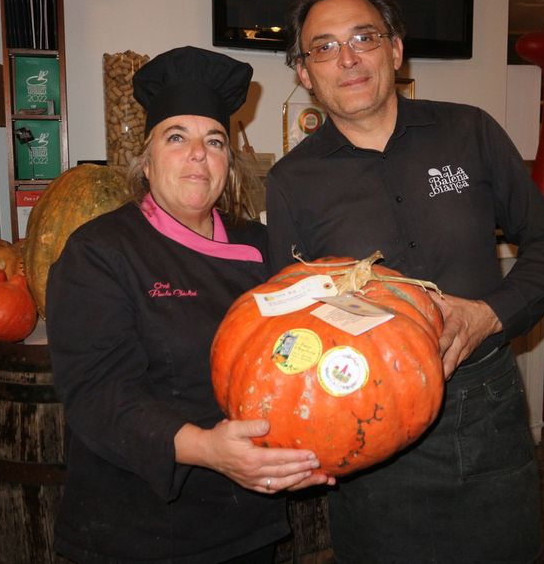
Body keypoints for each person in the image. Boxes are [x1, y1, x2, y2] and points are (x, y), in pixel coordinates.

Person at [266, 0, 544, 563]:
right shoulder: (291, 182)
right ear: (305, 74)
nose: (349, 58)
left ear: (395, 49)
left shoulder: (470, 131)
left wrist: (490, 315)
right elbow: (293, 324)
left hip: (484, 407)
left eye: (365, 37)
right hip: (368, 423)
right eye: (325, 47)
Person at [47, 46, 333, 564]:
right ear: (147, 159)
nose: (198, 154)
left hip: (246, 523)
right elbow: (99, 395)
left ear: (229, 161)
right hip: (136, 530)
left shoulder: (265, 247)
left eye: (214, 140)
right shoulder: (100, 251)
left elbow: (301, 357)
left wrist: (319, 439)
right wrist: (209, 449)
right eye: (176, 137)